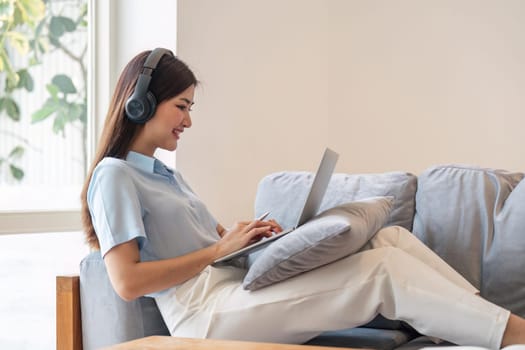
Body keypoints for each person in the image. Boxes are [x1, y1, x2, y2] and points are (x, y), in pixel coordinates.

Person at [80, 48, 525, 349]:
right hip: (205, 315)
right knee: (384, 273)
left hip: (235, 289)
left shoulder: (164, 175)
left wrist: (247, 238)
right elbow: (127, 282)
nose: (188, 121)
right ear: (140, 103)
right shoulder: (114, 177)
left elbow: (210, 245)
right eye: (182, 106)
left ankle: (486, 324)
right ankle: (515, 335)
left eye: (190, 108)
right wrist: (220, 248)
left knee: (389, 242)